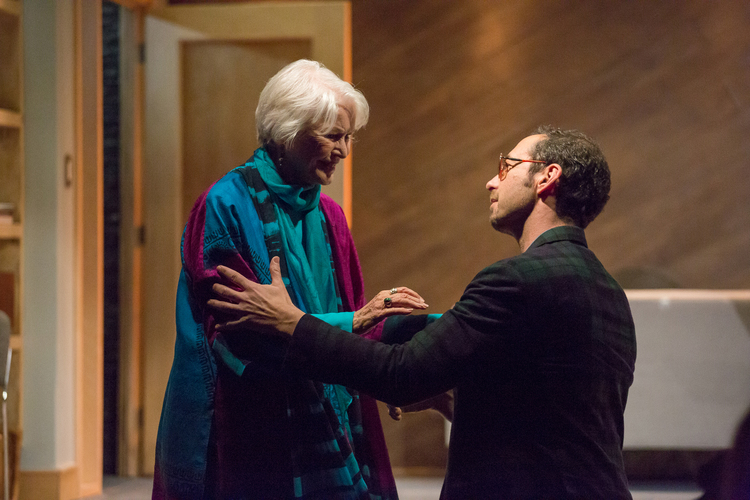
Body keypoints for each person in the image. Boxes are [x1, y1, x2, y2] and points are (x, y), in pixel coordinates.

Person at [208, 126, 638, 499]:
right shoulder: (607, 290)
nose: (491, 182)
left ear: (547, 176)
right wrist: (460, 396)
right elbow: (547, 404)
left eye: (506, 166)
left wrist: (290, 321)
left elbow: (400, 373)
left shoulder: (515, 281)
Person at [152, 59, 428, 500]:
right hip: (248, 419)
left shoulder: (329, 215)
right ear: (286, 133)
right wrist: (352, 324)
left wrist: (380, 371)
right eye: (333, 136)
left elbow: (353, 311)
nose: (344, 151)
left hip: (331, 405)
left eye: (349, 136)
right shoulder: (226, 205)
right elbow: (238, 334)